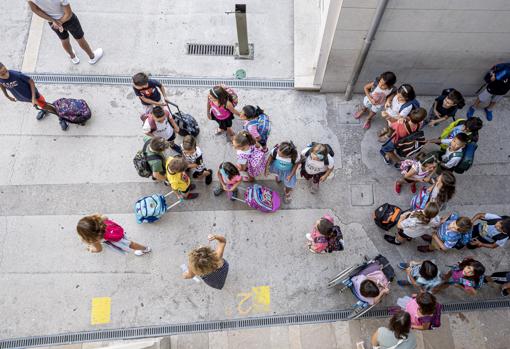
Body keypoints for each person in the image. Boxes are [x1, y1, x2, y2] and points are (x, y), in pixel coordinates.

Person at [28, 0, 103, 65]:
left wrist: (53, 21)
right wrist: (59, 22)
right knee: (80, 38)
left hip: (53, 23)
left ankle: (73, 57)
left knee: (64, 40)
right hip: (69, 20)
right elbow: (68, 13)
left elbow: (35, 10)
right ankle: (92, 57)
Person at [0, 63, 63, 127]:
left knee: (45, 105)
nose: (5, 74)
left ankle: (61, 117)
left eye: (5, 71)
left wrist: (33, 98)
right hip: (24, 97)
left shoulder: (16, 75)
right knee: (43, 106)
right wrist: (7, 96)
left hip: (34, 96)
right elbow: (1, 85)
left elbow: (31, 81)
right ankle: (44, 110)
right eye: (2, 74)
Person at [76, 214, 151, 255]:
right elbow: (106, 217)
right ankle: (145, 249)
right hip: (115, 230)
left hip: (115, 239)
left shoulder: (95, 241)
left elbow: (99, 249)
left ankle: (145, 249)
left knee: (130, 244)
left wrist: (91, 249)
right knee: (129, 242)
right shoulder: (100, 220)